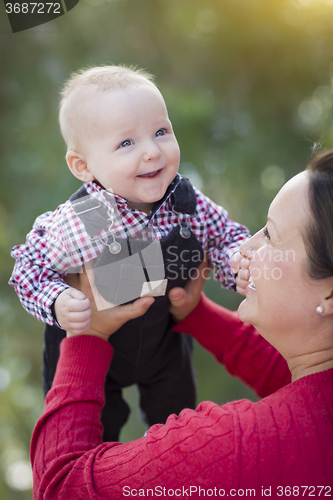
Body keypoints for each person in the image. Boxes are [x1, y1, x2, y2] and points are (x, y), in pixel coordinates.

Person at [30, 150, 333, 499]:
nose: (245, 245)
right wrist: (194, 313)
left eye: (270, 235)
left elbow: (62, 487)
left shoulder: (235, 446)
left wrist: (86, 337)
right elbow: (287, 381)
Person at [9, 65, 249, 441]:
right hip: (92, 343)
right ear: (83, 166)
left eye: (161, 132)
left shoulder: (187, 203)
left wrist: (237, 263)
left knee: (182, 425)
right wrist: (56, 300)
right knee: (89, 434)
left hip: (163, 335)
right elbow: (28, 268)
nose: (152, 152)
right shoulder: (80, 221)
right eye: (126, 143)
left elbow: (224, 237)